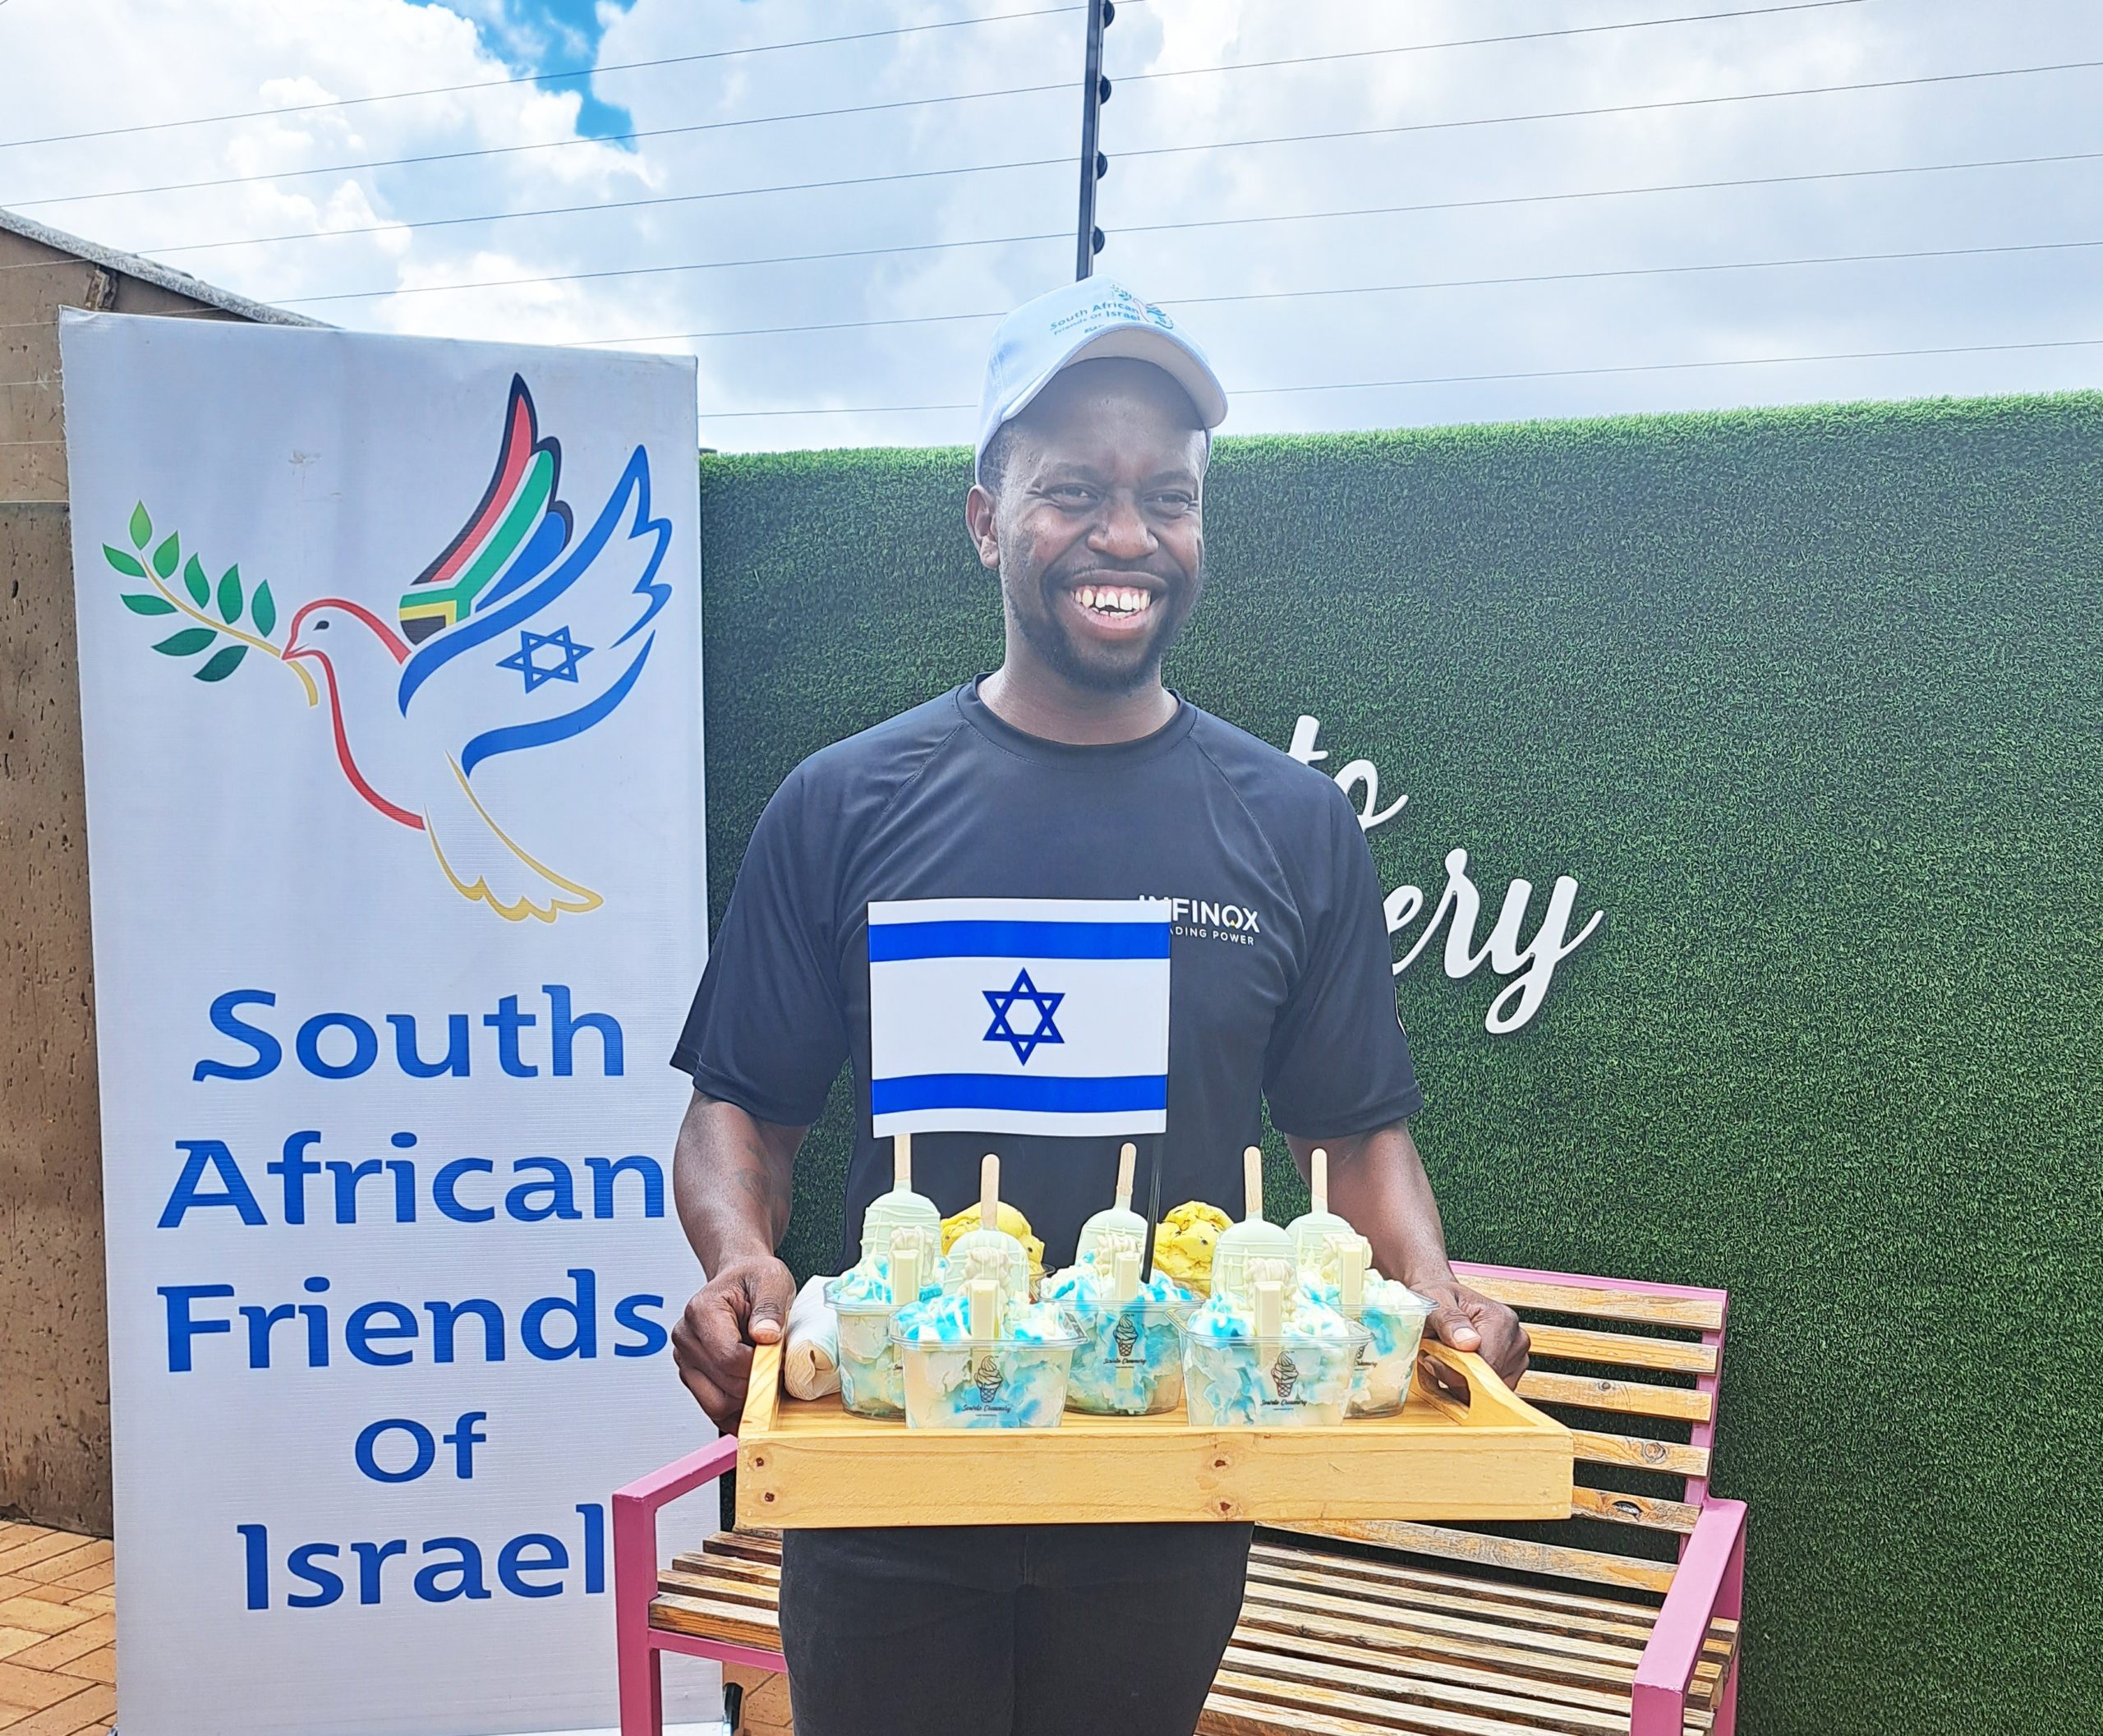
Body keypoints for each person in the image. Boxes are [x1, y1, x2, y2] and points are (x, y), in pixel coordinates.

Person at [667, 276, 1530, 1736]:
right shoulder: (842, 804)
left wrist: (1434, 1297)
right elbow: (739, 1105)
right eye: (1073, 490)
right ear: (986, 518)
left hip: (1167, 1500)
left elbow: (1354, 1138)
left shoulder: (1293, 825)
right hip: (889, 1493)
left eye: (1167, 498)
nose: (1125, 535)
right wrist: (740, 1255)